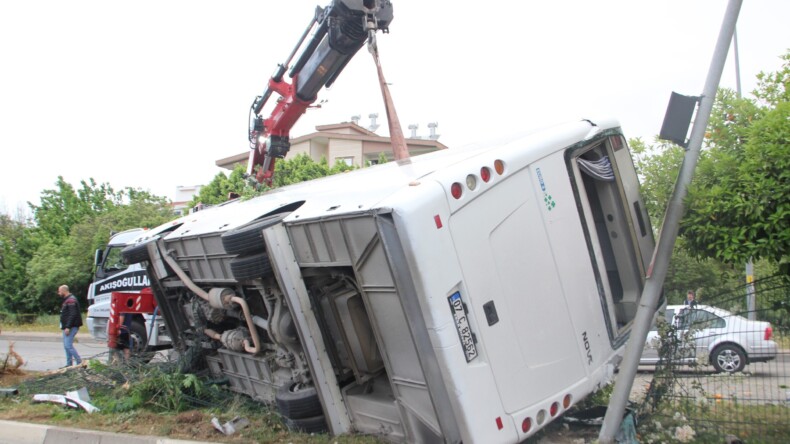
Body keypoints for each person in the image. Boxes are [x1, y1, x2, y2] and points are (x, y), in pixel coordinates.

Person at [58, 284, 83, 367]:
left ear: (64, 291)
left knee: (68, 345)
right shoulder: (67, 300)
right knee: (66, 346)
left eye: (60, 291)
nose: (59, 293)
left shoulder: (71, 300)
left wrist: (68, 327)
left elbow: (73, 314)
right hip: (66, 327)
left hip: (71, 327)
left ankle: (80, 363)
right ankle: (69, 364)